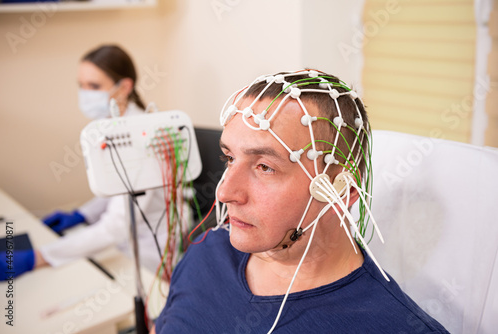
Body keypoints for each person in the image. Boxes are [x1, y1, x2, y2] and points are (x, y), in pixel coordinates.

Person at [150, 70, 449, 333]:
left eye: (265, 167)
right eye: (229, 157)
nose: (225, 192)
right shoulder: (207, 252)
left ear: (340, 192)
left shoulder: (395, 326)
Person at [0, 45, 187, 280]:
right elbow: (118, 190)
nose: (86, 93)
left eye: (94, 86)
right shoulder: (110, 127)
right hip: (120, 240)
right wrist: (81, 215)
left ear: (124, 87)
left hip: (147, 253)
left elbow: (117, 225)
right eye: (82, 85)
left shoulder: (142, 138)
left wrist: (38, 257)